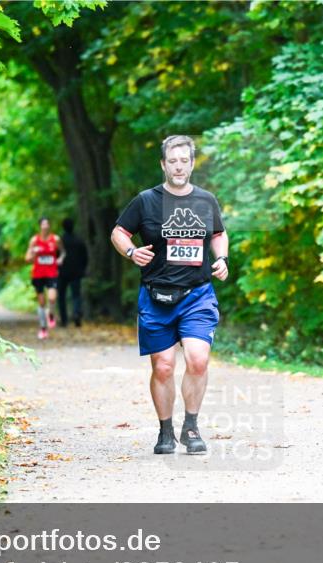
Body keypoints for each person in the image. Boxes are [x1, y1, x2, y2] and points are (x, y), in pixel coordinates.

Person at [109, 135, 229, 455]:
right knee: (162, 367)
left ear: (191, 163)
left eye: (184, 160)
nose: (179, 166)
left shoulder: (206, 200)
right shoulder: (146, 201)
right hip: (156, 296)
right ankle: (166, 431)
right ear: (163, 164)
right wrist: (132, 251)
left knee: (197, 359)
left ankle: (191, 427)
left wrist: (222, 259)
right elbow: (118, 232)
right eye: (172, 161)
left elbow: (218, 233)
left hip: (197, 295)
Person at [25, 217, 65, 340]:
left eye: (47, 224)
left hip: (52, 272)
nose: (45, 226)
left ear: (49, 225)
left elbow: (63, 252)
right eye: (43, 224)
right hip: (38, 274)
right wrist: (33, 252)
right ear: (40, 226)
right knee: (42, 302)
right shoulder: (34, 240)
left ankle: (51, 314)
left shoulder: (56, 239)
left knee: (52, 298)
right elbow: (27, 258)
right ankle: (43, 328)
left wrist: (60, 259)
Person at [57, 217, 88, 327]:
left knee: (61, 296)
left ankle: (64, 320)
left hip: (62, 273)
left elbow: (56, 256)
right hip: (76, 272)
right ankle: (76, 313)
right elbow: (85, 257)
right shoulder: (79, 240)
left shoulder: (60, 241)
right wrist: (83, 270)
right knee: (76, 295)